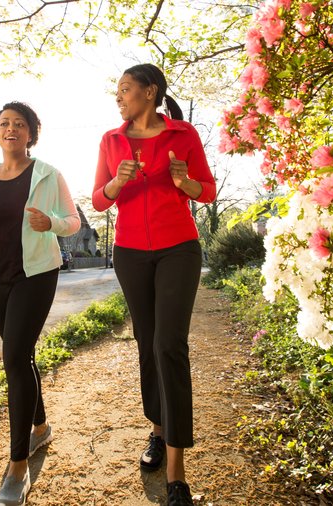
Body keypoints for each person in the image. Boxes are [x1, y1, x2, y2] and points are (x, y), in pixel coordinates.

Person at [91, 64, 216, 506]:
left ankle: (177, 472)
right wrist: (116, 182)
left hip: (178, 247)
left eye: (125, 89)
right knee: (147, 343)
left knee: (169, 345)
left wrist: (185, 182)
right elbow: (98, 200)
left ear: (150, 91)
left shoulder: (183, 134)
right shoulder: (111, 140)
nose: (119, 97)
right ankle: (158, 431)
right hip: (130, 252)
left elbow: (208, 191)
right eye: (117, 91)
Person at [0, 101, 79, 506]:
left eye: (19, 124)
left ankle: (17, 468)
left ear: (31, 133)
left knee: (13, 359)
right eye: (4, 123)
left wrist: (51, 223)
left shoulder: (47, 174)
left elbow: (73, 221)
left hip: (37, 274)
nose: (10, 128)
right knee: (22, 357)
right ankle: (40, 428)